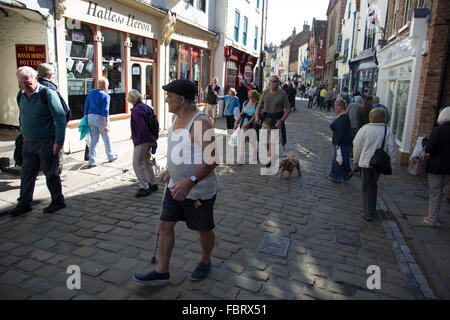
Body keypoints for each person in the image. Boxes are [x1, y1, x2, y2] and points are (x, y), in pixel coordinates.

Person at [133, 79, 219, 284]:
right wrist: (170, 170)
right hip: (175, 186)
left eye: (169, 97)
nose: (165, 100)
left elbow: (213, 159)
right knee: (164, 224)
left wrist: (189, 181)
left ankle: (205, 261)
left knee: (203, 228)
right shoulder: (175, 117)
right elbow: (180, 149)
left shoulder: (200, 123)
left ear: (181, 99)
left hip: (198, 190)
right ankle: (162, 271)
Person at [11, 66, 66, 216]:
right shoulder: (20, 95)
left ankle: (57, 200)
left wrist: (59, 142)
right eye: (21, 82)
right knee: (27, 174)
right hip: (29, 142)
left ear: (35, 78)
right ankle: (24, 203)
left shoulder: (47, 93)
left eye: (27, 82)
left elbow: (60, 118)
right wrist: (23, 133)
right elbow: (23, 115)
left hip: (46, 141)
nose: (24, 85)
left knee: (50, 173)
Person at [353, 108, 397, 221]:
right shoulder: (387, 130)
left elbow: (356, 145)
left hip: (365, 162)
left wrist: (356, 160)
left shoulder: (365, 129)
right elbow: (392, 149)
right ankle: (370, 209)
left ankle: (368, 212)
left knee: (366, 187)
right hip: (379, 163)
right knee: (373, 185)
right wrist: (392, 165)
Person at [127, 89, 159, 198]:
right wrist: (154, 139)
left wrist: (150, 138)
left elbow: (142, 127)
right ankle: (153, 183)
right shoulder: (147, 107)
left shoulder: (136, 110)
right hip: (149, 140)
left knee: (137, 163)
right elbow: (154, 123)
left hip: (142, 140)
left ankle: (144, 186)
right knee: (147, 162)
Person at [255, 75, 291, 167]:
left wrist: (281, 121)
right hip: (265, 120)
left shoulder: (282, 94)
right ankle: (269, 154)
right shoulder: (265, 92)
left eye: (275, 81)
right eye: (271, 81)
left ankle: (269, 159)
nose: (273, 83)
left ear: (278, 83)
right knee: (263, 141)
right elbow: (259, 105)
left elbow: (288, 109)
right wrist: (256, 117)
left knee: (272, 142)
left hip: (276, 121)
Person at [422, 106, 450, 227]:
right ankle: (435, 216)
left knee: (435, 193)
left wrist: (425, 141)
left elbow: (429, 149)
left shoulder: (438, 130)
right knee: (441, 191)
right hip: (448, 168)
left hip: (436, 167)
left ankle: (432, 219)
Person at [37, 63, 65, 179]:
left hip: (35, 129)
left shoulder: (32, 86)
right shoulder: (50, 88)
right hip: (50, 128)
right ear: (50, 75)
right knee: (55, 154)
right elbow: (60, 112)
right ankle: (56, 174)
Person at [84, 78, 118, 167]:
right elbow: (105, 110)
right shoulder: (106, 96)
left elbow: (86, 106)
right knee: (106, 139)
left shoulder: (91, 93)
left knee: (93, 141)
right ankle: (110, 157)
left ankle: (92, 161)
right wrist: (106, 124)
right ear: (105, 86)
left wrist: (85, 117)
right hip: (101, 118)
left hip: (90, 117)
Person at [328, 99, 353, 183]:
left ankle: (337, 175)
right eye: (335, 105)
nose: (335, 107)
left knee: (338, 159)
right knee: (342, 158)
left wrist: (338, 144)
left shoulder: (343, 118)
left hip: (342, 142)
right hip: (344, 141)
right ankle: (345, 173)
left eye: (337, 106)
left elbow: (341, 132)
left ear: (341, 107)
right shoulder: (342, 115)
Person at [234, 90, 259, 163]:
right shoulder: (245, 103)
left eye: (254, 97)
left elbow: (255, 116)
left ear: (256, 97)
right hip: (244, 125)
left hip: (253, 125)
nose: (252, 98)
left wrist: (249, 122)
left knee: (252, 142)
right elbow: (241, 114)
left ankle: (255, 155)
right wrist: (236, 123)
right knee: (242, 141)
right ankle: (241, 159)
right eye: (251, 97)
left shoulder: (257, 104)